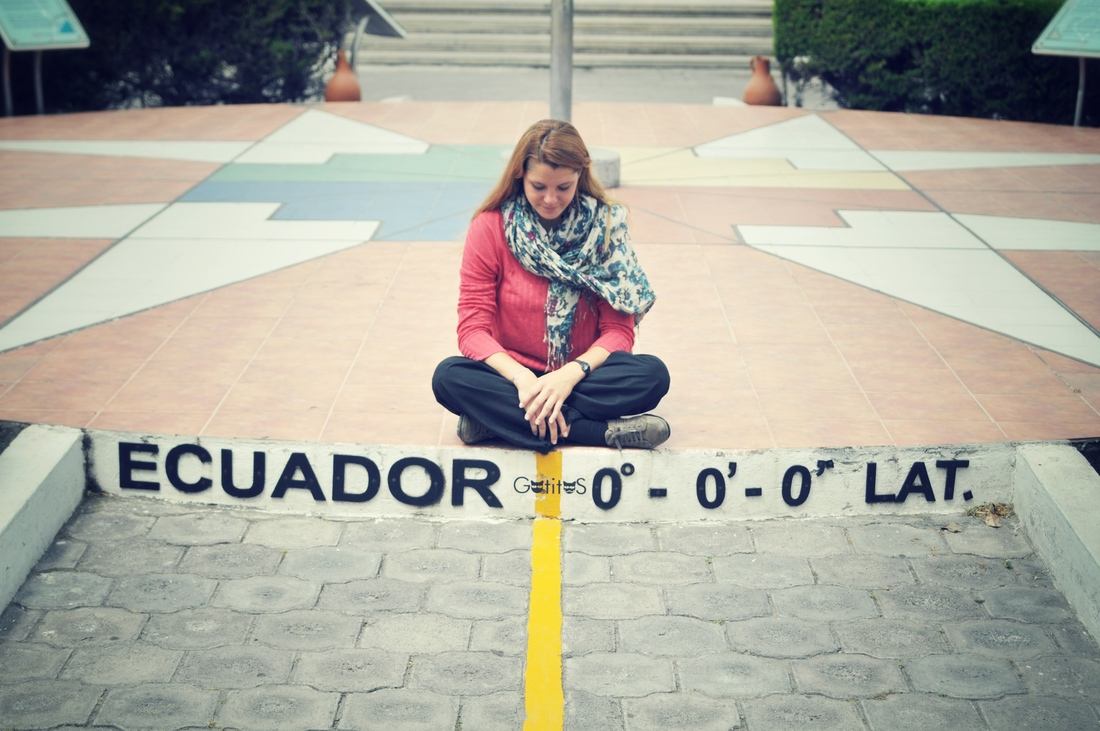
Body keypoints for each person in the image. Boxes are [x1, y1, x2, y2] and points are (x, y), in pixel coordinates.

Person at [431, 119, 670, 454]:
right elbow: (473, 328)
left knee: (652, 376)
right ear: (520, 176)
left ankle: (495, 422)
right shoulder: (490, 228)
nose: (550, 199)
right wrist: (523, 379)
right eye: (538, 186)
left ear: (580, 178)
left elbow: (618, 332)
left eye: (563, 187)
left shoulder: (604, 228)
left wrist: (568, 376)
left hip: (581, 376)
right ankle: (595, 432)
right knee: (449, 377)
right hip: (514, 377)